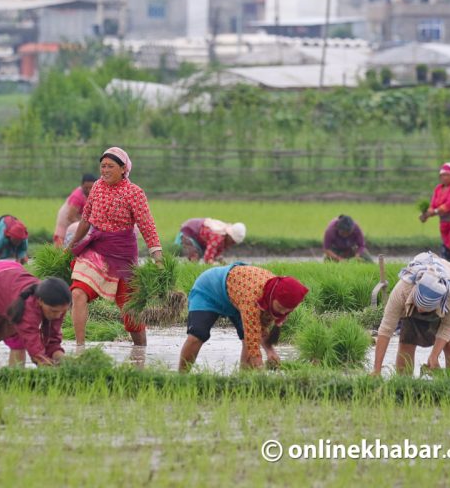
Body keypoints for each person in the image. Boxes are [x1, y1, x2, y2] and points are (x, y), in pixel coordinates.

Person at [67, 147, 163, 347]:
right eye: (102, 166)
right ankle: (80, 349)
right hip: (96, 248)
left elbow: (148, 227)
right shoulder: (97, 187)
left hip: (122, 254)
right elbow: (85, 220)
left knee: (131, 312)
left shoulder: (134, 193)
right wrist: (71, 245)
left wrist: (158, 259)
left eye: (110, 166)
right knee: (78, 292)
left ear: (123, 169)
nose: (105, 170)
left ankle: (141, 352)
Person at [179, 263, 309, 372]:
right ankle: (181, 379)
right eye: (280, 307)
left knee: (249, 343)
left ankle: (243, 381)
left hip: (237, 298)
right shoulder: (253, 297)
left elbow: (261, 329)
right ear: (273, 297)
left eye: (287, 310)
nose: (282, 312)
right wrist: (259, 367)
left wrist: (270, 351)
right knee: (197, 335)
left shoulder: (278, 297)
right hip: (209, 291)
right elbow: (252, 336)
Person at [372, 252, 450, 376]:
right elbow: (386, 329)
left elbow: (447, 328)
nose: (420, 312)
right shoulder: (403, 290)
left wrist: (434, 356)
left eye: (426, 310)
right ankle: (403, 384)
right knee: (407, 339)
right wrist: (376, 370)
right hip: (412, 296)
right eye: (419, 307)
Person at [175, 218, 246, 264]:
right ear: (229, 236)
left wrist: (217, 259)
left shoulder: (224, 240)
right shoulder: (218, 237)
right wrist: (213, 263)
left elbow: (214, 252)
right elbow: (208, 258)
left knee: (200, 255)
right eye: (233, 241)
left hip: (199, 236)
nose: (232, 243)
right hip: (190, 231)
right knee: (195, 257)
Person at [53, 173, 97, 247]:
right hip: (66, 219)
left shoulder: (95, 193)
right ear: (82, 185)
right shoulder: (77, 196)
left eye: (91, 188)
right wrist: (83, 227)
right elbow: (70, 216)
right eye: (86, 188)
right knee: (61, 243)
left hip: (78, 218)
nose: (89, 190)